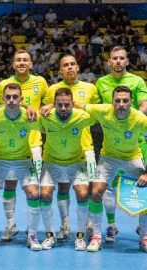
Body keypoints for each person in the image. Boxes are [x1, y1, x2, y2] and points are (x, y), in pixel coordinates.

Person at [41, 54, 99, 242]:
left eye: (73, 64)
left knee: (87, 189)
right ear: (60, 70)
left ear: (78, 67)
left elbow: (96, 111)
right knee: (63, 187)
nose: (70, 67)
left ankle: (88, 224)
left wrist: (77, 104)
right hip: (59, 150)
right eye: (65, 65)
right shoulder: (52, 89)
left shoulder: (90, 88)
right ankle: (65, 225)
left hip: (86, 148)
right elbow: (47, 111)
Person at [84, 86, 147, 253]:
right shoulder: (103, 111)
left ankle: (144, 237)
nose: (121, 104)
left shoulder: (140, 118)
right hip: (108, 158)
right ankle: (97, 236)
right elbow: (75, 104)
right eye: (117, 101)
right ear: (112, 102)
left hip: (132, 158)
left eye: (125, 101)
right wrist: (48, 107)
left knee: (146, 190)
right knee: (96, 191)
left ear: (131, 102)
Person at [0, 49, 48, 241]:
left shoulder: (40, 82)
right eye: (18, 60)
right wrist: (25, 106)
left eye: (25, 60)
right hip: (10, 143)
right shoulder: (4, 84)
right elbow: (0, 107)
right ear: (13, 64)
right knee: (9, 184)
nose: (22, 63)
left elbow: (47, 106)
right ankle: (10, 225)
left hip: (33, 144)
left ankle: (31, 231)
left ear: (31, 64)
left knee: (33, 189)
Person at [96, 46, 147, 242]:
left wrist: (133, 121)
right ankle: (111, 226)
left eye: (121, 58)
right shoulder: (101, 82)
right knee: (107, 186)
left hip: (136, 139)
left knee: (142, 183)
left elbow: (143, 105)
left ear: (127, 61)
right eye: (114, 58)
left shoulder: (137, 81)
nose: (118, 61)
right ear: (109, 62)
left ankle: (143, 230)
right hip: (109, 139)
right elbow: (96, 106)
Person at [0, 83, 40, 251]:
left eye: (15, 97)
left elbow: (51, 118)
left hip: (24, 159)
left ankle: (32, 235)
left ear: (21, 100)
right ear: (2, 99)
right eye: (8, 97)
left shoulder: (30, 116)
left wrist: (36, 108)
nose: (12, 100)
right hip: (0, 159)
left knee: (33, 193)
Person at [39, 88, 94, 250]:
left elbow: (99, 114)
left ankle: (81, 236)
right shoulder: (46, 117)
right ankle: (50, 235)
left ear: (73, 104)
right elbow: (30, 117)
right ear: (54, 104)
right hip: (51, 163)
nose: (63, 108)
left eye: (67, 105)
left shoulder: (82, 116)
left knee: (83, 194)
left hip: (77, 163)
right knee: (45, 194)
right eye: (59, 105)